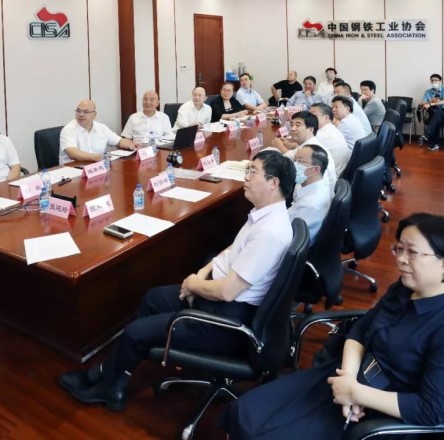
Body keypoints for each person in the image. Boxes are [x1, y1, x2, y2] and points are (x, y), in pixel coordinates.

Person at [58, 150, 297, 411]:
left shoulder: (269, 232)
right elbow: (232, 251)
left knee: (135, 332)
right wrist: (201, 273)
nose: (246, 177)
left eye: (253, 172)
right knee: (152, 298)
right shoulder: (265, 214)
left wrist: (193, 285)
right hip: (221, 298)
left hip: (226, 320)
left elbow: (227, 292)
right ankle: (112, 371)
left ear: (273, 182)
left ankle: (110, 389)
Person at [221, 212, 444, 439]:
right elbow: (361, 330)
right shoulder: (404, 289)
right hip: (349, 376)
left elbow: (429, 410)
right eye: (399, 249)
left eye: (412, 252)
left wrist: (357, 394)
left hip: (383, 413)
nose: (401, 260)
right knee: (245, 413)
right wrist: (350, 381)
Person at [270, 111, 337, 192]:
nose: (293, 128)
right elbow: (288, 156)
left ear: (311, 129)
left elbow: (284, 161)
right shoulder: (306, 144)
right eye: (292, 125)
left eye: (298, 125)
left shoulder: (311, 150)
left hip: (312, 193)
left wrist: (280, 147)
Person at [59, 99, 135, 164]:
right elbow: (73, 153)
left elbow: (119, 141)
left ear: (94, 115)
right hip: (72, 170)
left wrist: (131, 145)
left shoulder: (101, 128)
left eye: (86, 112)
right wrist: (97, 157)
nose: (81, 114)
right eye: (78, 111)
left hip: (96, 167)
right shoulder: (68, 129)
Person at [288, 145, 331, 243]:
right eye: (295, 160)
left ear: (315, 169)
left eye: (300, 161)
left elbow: (287, 235)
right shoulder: (321, 184)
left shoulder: (309, 205)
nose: (294, 165)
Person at [310, 103, 352, 175]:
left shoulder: (322, 134)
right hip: (339, 173)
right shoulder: (331, 129)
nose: (308, 118)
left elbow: (299, 154)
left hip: (330, 176)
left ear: (326, 117)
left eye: (313, 115)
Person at [418, 74, 444, 151]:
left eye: (436, 80)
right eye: (432, 80)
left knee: (437, 114)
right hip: (435, 114)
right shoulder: (428, 92)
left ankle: (429, 137)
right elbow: (422, 103)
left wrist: (431, 104)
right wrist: (430, 101)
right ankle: (432, 142)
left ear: (440, 81)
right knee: (436, 117)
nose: (434, 82)